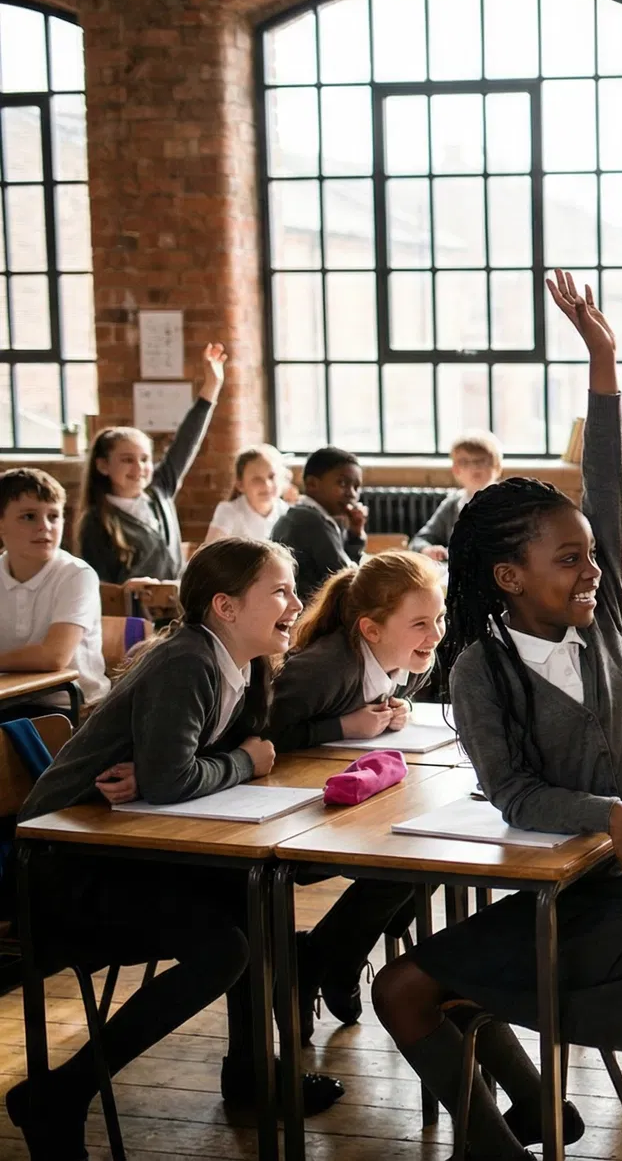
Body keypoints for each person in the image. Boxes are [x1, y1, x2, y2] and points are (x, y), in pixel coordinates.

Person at [368, 272, 622, 1160]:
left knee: (401, 989)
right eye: (570, 560)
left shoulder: (606, 618)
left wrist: (604, 360)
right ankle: (538, 1111)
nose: (593, 571)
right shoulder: (482, 670)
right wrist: (607, 810)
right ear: (508, 578)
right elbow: (512, 794)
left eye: (593, 556)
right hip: (600, 899)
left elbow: (605, 482)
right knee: (440, 974)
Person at [7, 540, 344, 1159]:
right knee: (223, 948)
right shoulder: (187, 660)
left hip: (126, 853)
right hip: (63, 871)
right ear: (225, 606)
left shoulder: (245, 662)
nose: (297, 604)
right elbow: (181, 777)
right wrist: (237, 762)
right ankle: (62, 1093)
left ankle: (252, 1071)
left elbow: (178, 770)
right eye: (279, 591)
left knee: (254, 894)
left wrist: (189, 768)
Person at [267, 551, 444, 1042]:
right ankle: (331, 960)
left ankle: (327, 957)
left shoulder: (409, 658)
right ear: (371, 630)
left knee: (425, 853)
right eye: (420, 624)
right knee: (409, 861)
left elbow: (377, 696)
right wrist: (344, 726)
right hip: (287, 814)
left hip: (341, 799)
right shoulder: (324, 667)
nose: (435, 635)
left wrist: (398, 707)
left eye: (440, 619)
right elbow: (265, 733)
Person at [76, 343, 226, 586]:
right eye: (127, 460)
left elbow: (186, 441)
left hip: (176, 602)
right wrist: (127, 590)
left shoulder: (159, 490)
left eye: (145, 459)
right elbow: (99, 588)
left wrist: (212, 385)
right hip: (135, 609)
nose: (139, 469)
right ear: (103, 466)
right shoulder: (95, 522)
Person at [0, 468, 107, 717]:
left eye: (54, 516)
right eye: (29, 517)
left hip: (71, 708)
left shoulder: (76, 574)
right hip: (9, 701)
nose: (45, 527)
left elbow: (54, 656)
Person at [272, 446, 366, 600]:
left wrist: (355, 534)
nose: (352, 494)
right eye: (342, 483)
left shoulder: (300, 514)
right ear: (312, 484)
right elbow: (349, 581)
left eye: (356, 487)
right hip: (306, 610)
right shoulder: (311, 522)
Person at [412, 432, 505, 560]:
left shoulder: (510, 503)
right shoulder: (452, 505)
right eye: (464, 462)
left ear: (497, 467)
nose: (474, 467)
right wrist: (428, 550)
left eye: (481, 461)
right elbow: (419, 540)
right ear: (455, 470)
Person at [205, 445, 292, 544]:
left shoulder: (287, 512)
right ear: (240, 485)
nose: (267, 484)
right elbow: (210, 549)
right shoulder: (228, 511)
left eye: (271, 476)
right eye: (257, 479)